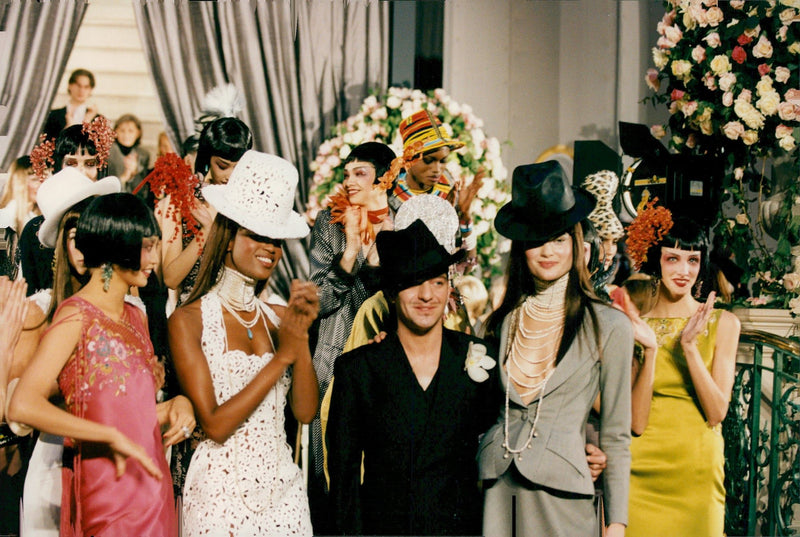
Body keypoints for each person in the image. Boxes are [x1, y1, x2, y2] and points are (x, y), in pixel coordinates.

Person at [8, 193, 190, 536]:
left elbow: (130, 411)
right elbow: (23, 405)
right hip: (108, 493)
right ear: (115, 245)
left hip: (153, 488)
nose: (155, 258)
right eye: (146, 247)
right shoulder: (76, 316)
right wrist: (106, 433)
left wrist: (176, 406)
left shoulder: (137, 316)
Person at [169, 150, 319, 537]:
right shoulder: (188, 319)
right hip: (219, 495)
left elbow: (305, 413)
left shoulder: (281, 316)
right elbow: (215, 426)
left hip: (285, 493)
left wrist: (300, 338)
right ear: (228, 236)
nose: (270, 248)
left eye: (276, 240)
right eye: (256, 235)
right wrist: (281, 358)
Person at [479, 161, 632, 537]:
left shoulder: (610, 325)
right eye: (535, 240)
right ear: (521, 248)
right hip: (498, 491)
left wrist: (616, 524)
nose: (547, 251)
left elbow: (616, 435)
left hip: (564, 497)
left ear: (578, 244)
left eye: (559, 239)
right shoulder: (499, 324)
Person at [327, 218, 500, 536]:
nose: (427, 295)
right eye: (413, 283)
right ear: (392, 292)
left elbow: (505, 438)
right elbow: (343, 481)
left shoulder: (479, 357)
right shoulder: (358, 370)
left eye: (437, 282)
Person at [618, 209, 740, 537]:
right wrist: (649, 349)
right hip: (641, 469)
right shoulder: (634, 327)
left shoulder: (724, 323)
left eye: (693, 260)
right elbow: (636, 421)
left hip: (697, 471)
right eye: (672, 259)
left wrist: (689, 347)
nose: (684, 271)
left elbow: (716, 412)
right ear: (656, 261)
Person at [307, 141, 396, 504]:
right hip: (335, 355)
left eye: (361, 173)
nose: (350, 182)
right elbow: (317, 301)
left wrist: (380, 254)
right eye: (347, 174)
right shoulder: (329, 223)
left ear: (385, 179)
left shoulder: (404, 221)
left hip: (386, 353)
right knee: (329, 470)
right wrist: (350, 255)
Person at [159, 117, 253, 305]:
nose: (230, 176)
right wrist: (205, 231)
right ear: (207, 158)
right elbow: (171, 278)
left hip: (240, 311)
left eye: (239, 168)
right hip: (194, 312)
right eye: (223, 166)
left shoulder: (250, 201)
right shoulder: (183, 199)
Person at [20, 121, 111, 294]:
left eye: (90, 164)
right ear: (57, 167)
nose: (80, 172)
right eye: (71, 163)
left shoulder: (113, 223)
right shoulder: (34, 231)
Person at [387, 109, 483, 254]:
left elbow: (468, 262)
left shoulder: (450, 191)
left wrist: (464, 218)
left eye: (443, 161)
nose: (437, 169)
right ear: (409, 159)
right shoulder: (387, 195)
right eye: (428, 160)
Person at [0, 156, 41, 279]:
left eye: (43, 179)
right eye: (35, 179)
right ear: (20, 183)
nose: (41, 184)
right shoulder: (3, 219)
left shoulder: (38, 219)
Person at [41, 69, 98, 141]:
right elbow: (47, 144)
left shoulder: (97, 119)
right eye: (78, 85)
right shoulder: (53, 116)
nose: (81, 90)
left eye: (86, 87)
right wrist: (67, 127)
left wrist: (88, 122)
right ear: (70, 86)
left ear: (90, 90)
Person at [106, 114, 151, 196]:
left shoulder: (143, 155)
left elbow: (143, 193)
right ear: (115, 132)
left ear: (138, 133)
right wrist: (124, 177)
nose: (126, 135)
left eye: (131, 131)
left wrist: (134, 173)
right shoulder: (107, 153)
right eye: (122, 131)